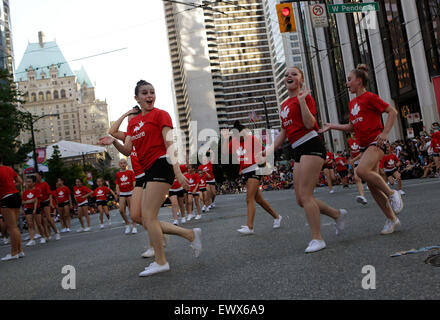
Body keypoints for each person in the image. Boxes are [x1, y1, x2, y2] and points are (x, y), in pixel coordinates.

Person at [100, 80, 202, 276]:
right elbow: (128, 150)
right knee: (145, 218)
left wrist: (178, 173)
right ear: (137, 98)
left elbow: (169, 143)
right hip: (148, 172)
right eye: (145, 93)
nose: (149, 96)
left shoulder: (161, 114)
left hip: (162, 164)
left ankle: (161, 261)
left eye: (152, 92)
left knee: (148, 217)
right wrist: (113, 142)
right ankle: (189, 234)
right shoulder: (134, 123)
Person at [264, 67, 347, 253]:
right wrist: (268, 150)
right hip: (296, 149)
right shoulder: (284, 105)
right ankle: (336, 214)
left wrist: (302, 102)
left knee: (306, 195)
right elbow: (283, 133)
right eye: (286, 75)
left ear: (301, 79)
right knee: (300, 199)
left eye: (294, 74)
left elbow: (310, 125)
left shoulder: (306, 98)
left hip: (311, 144)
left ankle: (318, 238)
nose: (289, 76)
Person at [320, 64, 403, 235]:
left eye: (349, 80)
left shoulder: (370, 97)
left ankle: (392, 192)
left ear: (359, 81)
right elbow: (352, 127)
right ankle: (392, 219)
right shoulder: (352, 103)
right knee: (372, 186)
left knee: (361, 170)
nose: (347, 83)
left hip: (377, 143)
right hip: (365, 147)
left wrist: (385, 133)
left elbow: (392, 111)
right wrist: (332, 126)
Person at [222, 120, 282, 235]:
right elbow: (225, 152)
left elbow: (263, 154)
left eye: (245, 133)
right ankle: (277, 217)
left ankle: (250, 227)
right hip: (245, 172)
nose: (243, 136)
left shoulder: (253, 139)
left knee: (249, 198)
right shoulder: (233, 142)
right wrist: (225, 138)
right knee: (259, 200)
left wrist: (265, 168)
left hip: (255, 169)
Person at [0, 157, 24, 260]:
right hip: (15, 195)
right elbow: (20, 181)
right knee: (15, 227)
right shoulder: (9, 169)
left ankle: (14, 253)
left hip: (6, 198)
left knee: (12, 227)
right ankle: (20, 251)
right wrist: (11, 185)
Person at [35, 172, 60, 241]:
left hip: (46, 201)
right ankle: (46, 235)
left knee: (48, 218)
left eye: (36, 176)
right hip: (40, 202)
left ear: (40, 176)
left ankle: (56, 232)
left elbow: (50, 194)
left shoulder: (45, 184)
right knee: (42, 220)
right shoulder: (35, 185)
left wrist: (51, 203)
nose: (35, 177)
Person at [115, 159, 137, 234]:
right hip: (122, 193)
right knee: (121, 210)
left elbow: (134, 182)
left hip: (130, 192)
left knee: (131, 211)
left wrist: (135, 189)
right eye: (121, 163)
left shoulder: (130, 172)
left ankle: (134, 226)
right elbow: (117, 184)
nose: (123, 164)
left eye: (124, 163)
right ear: (119, 165)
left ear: (126, 164)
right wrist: (117, 191)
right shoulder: (118, 174)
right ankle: (127, 224)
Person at [22, 176, 42, 246]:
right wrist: (30, 201)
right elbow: (23, 202)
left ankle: (43, 236)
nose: (28, 183)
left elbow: (36, 200)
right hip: (28, 209)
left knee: (39, 224)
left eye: (29, 181)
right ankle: (32, 239)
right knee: (30, 224)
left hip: (36, 208)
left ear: (33, 183)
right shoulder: (25, 192)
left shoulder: (36, 190)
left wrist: (34, 209)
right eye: (27, 181)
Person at [347, 133, 368, 205]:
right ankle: (362, 196)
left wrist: (353, 160)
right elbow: (351, 151)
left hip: (364, 158)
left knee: (368, 176)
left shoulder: (361, 139)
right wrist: (352, 160)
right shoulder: (349, 140)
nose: (353, 132)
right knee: (357, 178)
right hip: (355, 161)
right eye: (351, 131)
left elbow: (363, 152)